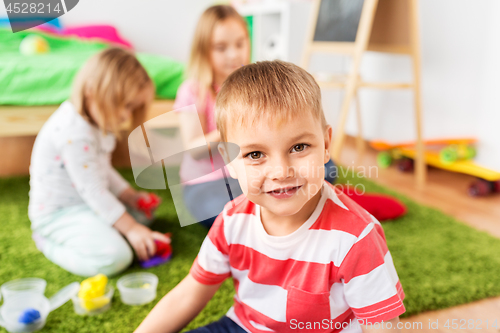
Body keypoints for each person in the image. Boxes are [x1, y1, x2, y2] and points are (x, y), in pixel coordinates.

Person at [135, 61, 405, 333]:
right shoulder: (231, 220)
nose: (281, 171)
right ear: (228, 161)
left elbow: (382, 327)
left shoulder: (357, 238)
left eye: (299, 147)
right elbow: (188, 295)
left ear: (325, 146)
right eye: (255, 154)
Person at [175, 5, 337, 228]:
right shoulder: (192, 91)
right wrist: (233, 128)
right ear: (204, 50)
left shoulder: (255, 85)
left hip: (256, 171)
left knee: (326, 168)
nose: (233, 54)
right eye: (221, 48)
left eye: (240, 44)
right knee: (228, 216)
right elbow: (193, 150)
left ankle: (290, 203)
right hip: (210, 181)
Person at [28, 47, 170, 277]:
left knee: (144, 215)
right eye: (124, 105)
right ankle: (47, 242)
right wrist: (131, 229)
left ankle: (114, 227)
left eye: (132, 107)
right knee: (116, 258)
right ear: (93, 92)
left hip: (88, 204)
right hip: (61, 214)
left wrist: (129, 196)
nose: (126, 116)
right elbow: (93, 190)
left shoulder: (99, 121)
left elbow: (102, 170)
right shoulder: (74, 132)